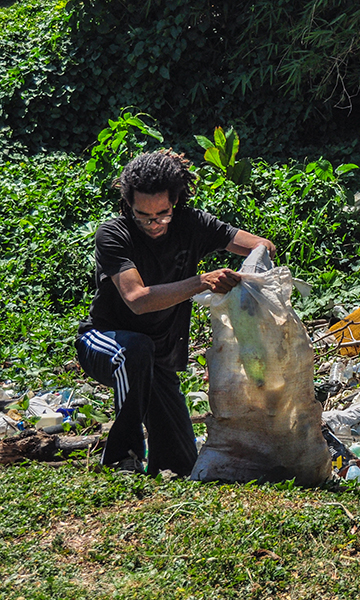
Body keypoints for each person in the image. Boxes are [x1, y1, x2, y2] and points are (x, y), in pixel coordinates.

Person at [75, 150, 275, 476]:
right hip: (105, 343)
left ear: (176, 202)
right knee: (135, 349)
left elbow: (260, 246)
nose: (154, 224)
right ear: (128, 205)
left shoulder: (192, 224)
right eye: (144, 216)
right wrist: (201, 282)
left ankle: (158, 464)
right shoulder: (113, 235)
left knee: (182, 464)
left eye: (163, 215)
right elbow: (137, 299)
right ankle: (122, 458)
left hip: (156, 362)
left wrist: (248, 278)